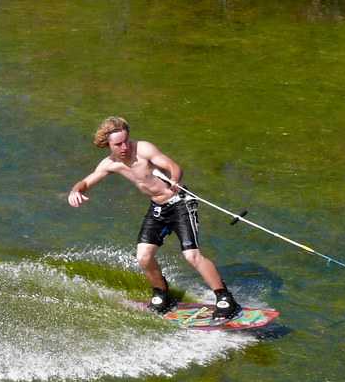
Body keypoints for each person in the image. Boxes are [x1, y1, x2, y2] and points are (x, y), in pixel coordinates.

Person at [67, 116, 240, 319]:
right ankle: (161, 293)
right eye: (118, 144)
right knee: (143, 256)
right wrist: (75, 191)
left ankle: (224, 297)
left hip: (180, 202)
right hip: (158, 208)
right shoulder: (109, 164)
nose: (124, 147)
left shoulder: (144, 149)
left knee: (191, 255)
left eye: (126, 141)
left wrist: (175, 179)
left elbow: (174, 166)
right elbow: (85, 182)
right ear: (108, 144)